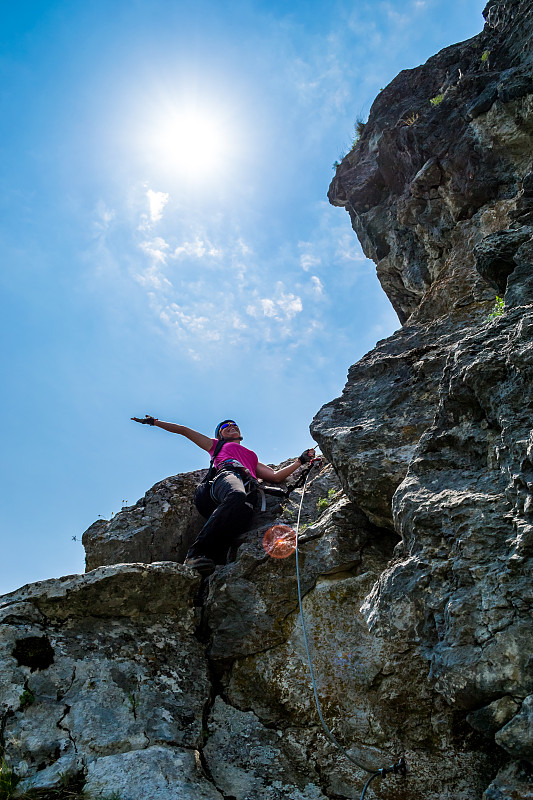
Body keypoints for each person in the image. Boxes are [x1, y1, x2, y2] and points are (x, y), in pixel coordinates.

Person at [131, 416, 315, 573]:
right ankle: (194, 555)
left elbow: (275, 476)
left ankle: (211, 562)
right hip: (227, 477)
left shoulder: (252, 456)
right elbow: (184, 430)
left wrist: (301, 461)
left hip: (248, 488)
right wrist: (154, 422)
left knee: (238, 521)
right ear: (220, 435)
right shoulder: (216, 446)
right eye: (226, 427)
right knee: (236, 495)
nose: (232, 426)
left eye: (235, 425)